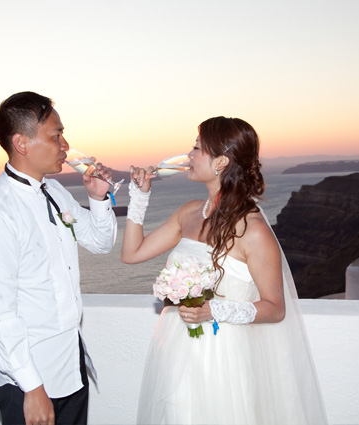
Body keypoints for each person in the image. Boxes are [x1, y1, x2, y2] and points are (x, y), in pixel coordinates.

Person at [122, 117, 328, 424]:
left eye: (196, 147)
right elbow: (132, 253)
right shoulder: (188, 212)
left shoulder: (253, 230)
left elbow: (275, 309)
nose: (189, 155)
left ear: (221, 161)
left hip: (223, 358)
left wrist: (212, 309)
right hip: (176, 348)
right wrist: (139, 197)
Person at [0, 91, 117, 425]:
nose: (65, 145)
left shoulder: (54, 190)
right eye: (57, 135)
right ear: (21, 143)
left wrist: (99, 198)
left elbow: (100, 242)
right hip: (28, 377)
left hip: (70, 364)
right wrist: (33, 388)